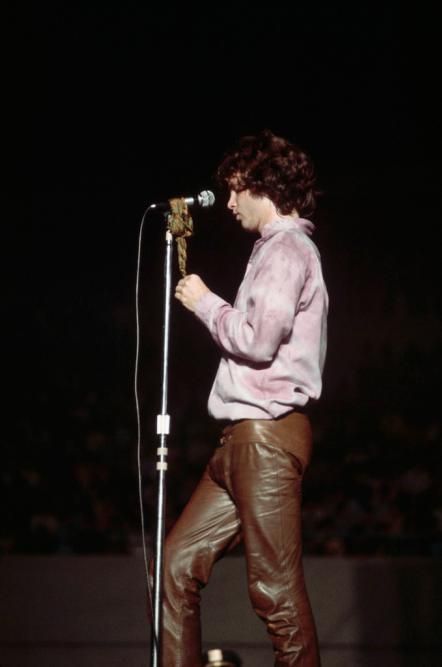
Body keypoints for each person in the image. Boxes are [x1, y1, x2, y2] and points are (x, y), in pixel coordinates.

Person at [166, 129, 328, 666]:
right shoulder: (271, 250)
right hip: (239, 439)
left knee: (274, 592)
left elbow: (259, 342)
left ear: (265, 186)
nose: (229, 202)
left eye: (236, 189)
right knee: (176, 564)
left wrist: (205, 303)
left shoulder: (287, 249)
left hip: (264, 436)